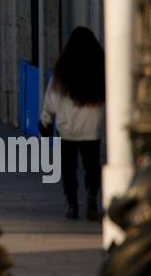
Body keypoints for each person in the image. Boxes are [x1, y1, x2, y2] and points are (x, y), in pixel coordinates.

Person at [39, 26, 106, 220]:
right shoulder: (99, 72)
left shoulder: (62, 73)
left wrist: (45, 120)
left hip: (66, 130)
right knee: (92, 168)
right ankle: (92, 197)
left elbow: (51, 99)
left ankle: (72, 204)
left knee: (69, 169)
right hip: (91, 130)